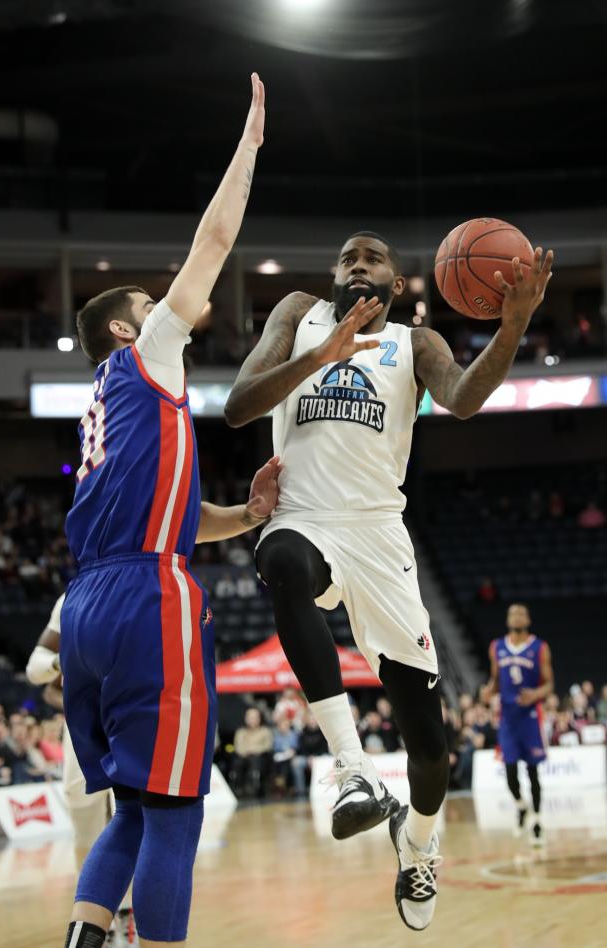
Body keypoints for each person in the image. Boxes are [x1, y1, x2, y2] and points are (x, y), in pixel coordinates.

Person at [224, 230, 553, 930]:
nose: (357, 265)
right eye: (346, 258)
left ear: (396, 286)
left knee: (430, 748)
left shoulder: (415, 343)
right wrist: (319, 355)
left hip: (379, 533)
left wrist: (515, 324)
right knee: (279, 560)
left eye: (372, 259)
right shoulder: (297, 313)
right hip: (305, 514)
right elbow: (238, 404)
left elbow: (463, 400)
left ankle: (420, 845)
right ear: (333, 276)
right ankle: (352, 767)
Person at [58, 75, 274, 948]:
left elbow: (177, 521)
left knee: (136, 811)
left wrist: (245, 514)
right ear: (124, 331)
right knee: (179, 813)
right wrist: (250, 148)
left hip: (89, 609)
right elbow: (214, 240)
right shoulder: (148, 355)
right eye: (150, 306)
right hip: (150, 601)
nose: (166, 305)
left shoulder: (99, 412)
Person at [27, 593, 138, 946]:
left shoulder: (144, 590)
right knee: (85, 818)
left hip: (133, 720)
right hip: (83, 726)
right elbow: (38, 674)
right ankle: (96, 920)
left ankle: (132, 913)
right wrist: (64, 667)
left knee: (134, 815)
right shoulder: (72, 598)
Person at [484, 603, 554, 846]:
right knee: (510, 773)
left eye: (521, 613)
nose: (516, 616)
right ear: (507, 620)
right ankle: (521, 806)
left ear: (528, 619)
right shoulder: (497, 647)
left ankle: (537, 821)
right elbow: (495, 681)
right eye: (512, 613)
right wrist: (486, 692)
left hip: (530, 719)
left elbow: (549, 684)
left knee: (533, 772)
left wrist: (535, 695)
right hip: (507, 719)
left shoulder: (540, 648)